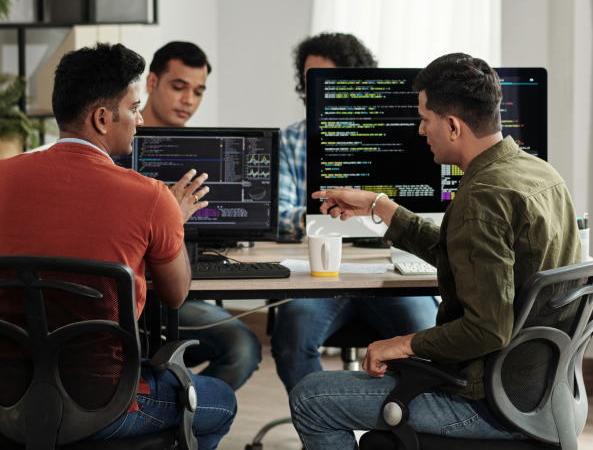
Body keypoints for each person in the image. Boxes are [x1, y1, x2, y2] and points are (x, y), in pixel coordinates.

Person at [288, 53, 582, 449]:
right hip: (545, 394)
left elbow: (486, 329)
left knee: (311, 398)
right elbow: (465, 259)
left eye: (425, 119)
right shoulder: (540, 173)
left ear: (453, 126)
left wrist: (400, 343)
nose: (421, 130)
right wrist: (383, 207)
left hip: (488, 402)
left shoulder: (481, 198)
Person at [0, 42, 236, 448]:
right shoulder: (150, 196)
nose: (140, 119)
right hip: (106, 401)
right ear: (103, 118)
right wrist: (173, 221)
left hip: (8, 397)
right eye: (134, 108)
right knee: (221, 403)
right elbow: (176, 294)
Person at [271, 32, 438, 394]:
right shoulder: (294, 140)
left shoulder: (404, 138)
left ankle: (399, 426)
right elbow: (280, 213)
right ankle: (326, 430)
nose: (317, 90)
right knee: (290, 339)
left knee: (430, 337)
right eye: (309, 81)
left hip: (393, 270)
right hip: (322, 273)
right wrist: (323, 216)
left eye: (328, 82)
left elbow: (422, 213)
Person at [140, 41, 261, 391]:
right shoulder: (121, 145)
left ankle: (184, 418)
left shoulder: (202, 152)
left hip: (182, 290)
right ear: (151, 83)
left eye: (198, 91)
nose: (189, 100)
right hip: (127, 295)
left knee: (243, 347)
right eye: (179, 87)